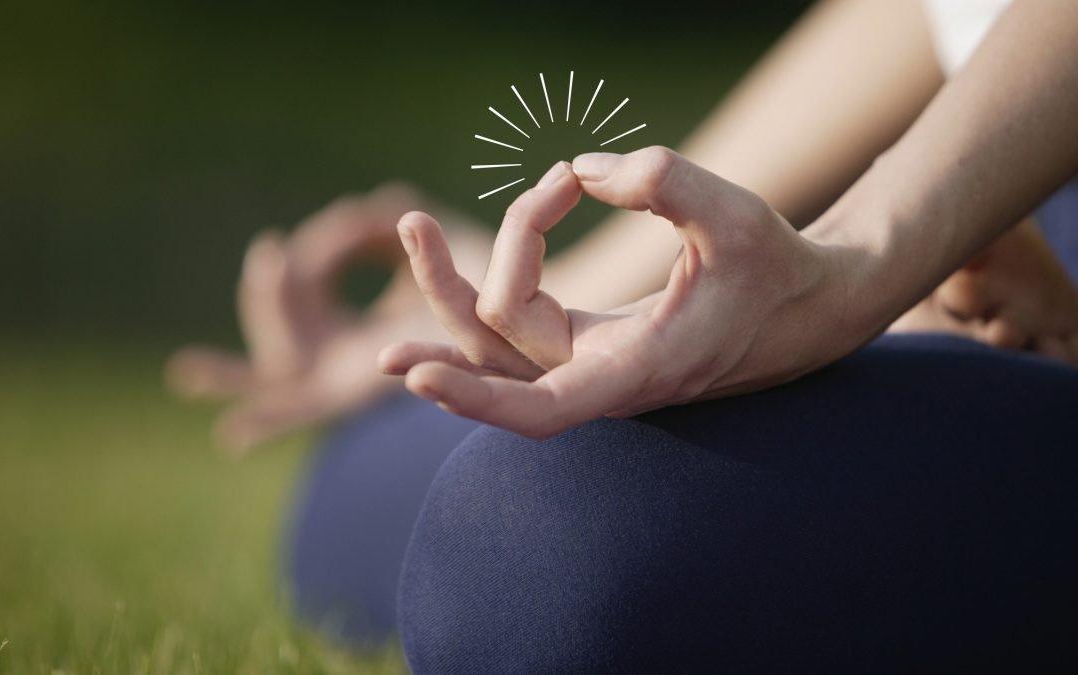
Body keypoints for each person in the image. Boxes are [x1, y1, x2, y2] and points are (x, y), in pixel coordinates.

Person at [168, 0, 1078, 669]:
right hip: (988, 171)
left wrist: (859, 265)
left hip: (990, 246)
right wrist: (571, 298)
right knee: (368, 472)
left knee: (532, 548)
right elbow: (950, 17)